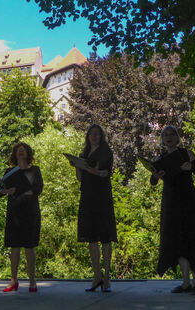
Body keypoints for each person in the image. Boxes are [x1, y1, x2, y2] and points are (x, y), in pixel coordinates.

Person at [150, 126, 195, 294]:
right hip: (171, 203)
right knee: (177, 241)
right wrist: (155, 176)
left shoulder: (187, 153)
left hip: (188, 201)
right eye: (165, 135)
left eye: (172, 134)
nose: (168, 137)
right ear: (162, 139)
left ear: (177, 137)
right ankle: (185, 282)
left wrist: (191, 167)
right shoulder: (161, 158)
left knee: (192, 238)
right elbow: (153, 182)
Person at [75, 124, 117, 292]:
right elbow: (79, 178)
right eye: (91, 134)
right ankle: (96, 276)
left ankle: (107, 277)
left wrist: (92, 170)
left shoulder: (106, 153)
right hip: (87, 197)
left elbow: (105, 173)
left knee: (106, 237)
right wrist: (78, 165)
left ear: (101, 136)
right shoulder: (83, 154)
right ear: (87, 136)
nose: (94, 136)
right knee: (91, 237)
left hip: (102, 197)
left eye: (97, 134)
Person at [0, 142, 43, 293]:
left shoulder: (35, 170)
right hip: (14, 212)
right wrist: (8, 191)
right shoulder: (10, 171)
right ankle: (13, 281)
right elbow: (1, 190)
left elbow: (37, 189)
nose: (21, 152)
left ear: (28, 154)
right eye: (18, 150)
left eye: (24, 150)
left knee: (29, 247)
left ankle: (32, 281)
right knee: (14, 246)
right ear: (15, 154)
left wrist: (17, 190)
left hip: (30, 212)